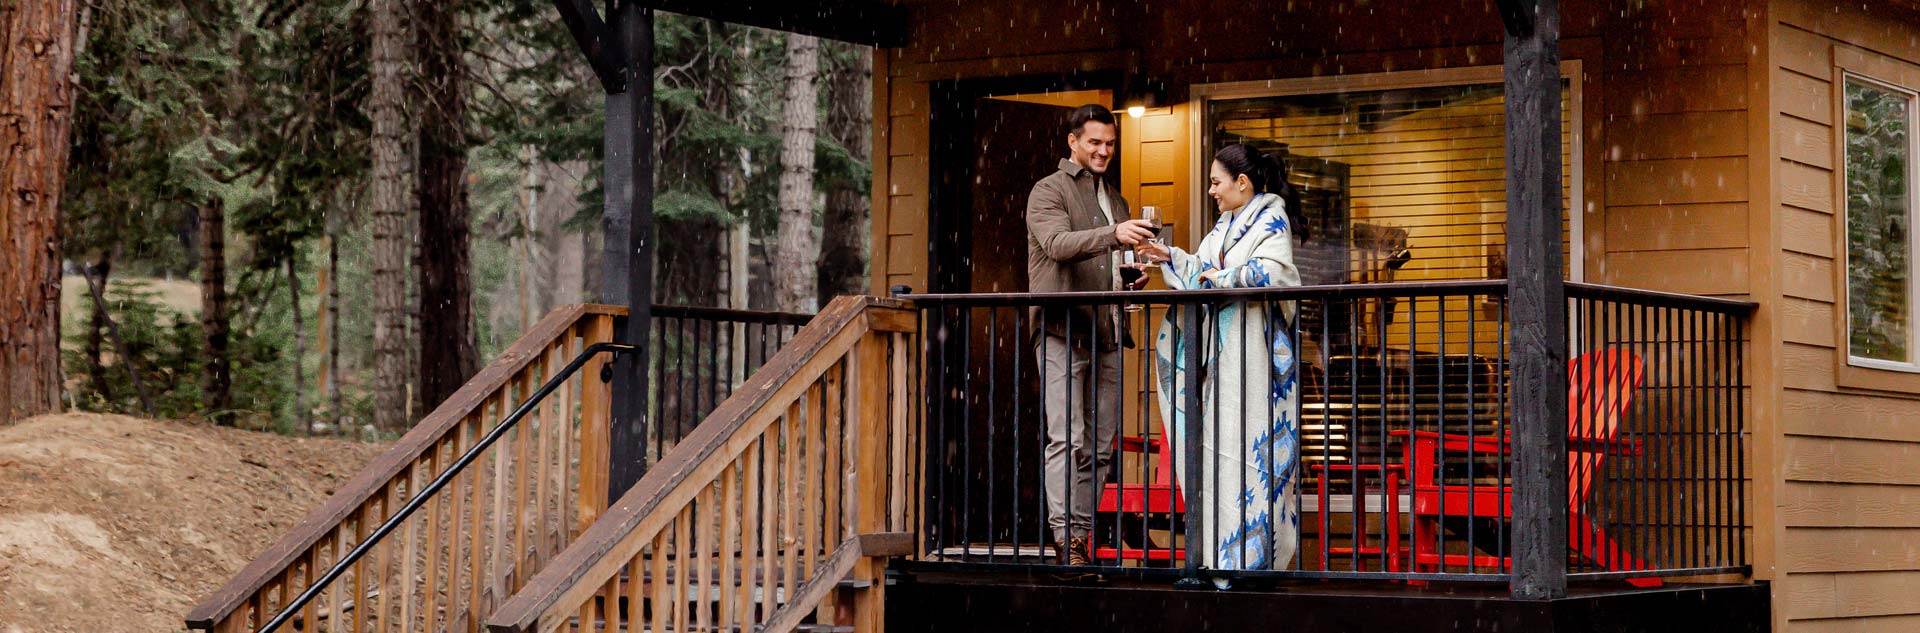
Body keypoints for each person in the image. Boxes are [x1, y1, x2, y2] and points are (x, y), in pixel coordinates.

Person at [1135, 143, 1303, 573]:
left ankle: (1255, 563)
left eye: (1215, 181)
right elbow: (1202, 270)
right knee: (1221, 449)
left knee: (1255, 449)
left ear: (1241, 183)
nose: (1211, 190)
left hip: (1258, 356)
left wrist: (1221, 277)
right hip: (1226, 360)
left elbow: (1275, 272)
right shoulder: (1227, 223)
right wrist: (1169, 256)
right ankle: (1221, 559)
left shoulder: (1271, 215)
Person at [1026, 103, 1156, 566]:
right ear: (1073, 142)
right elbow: (1058, 246)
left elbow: (1112, 260)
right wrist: (1113, 233)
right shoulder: (1048, 191)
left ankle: (1080, 537)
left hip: (1108, 332)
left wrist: (1132, 278)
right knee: (1068, 438)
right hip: (1062, 329)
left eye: (1110, 143)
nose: (1104, 151)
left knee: (1101, 447)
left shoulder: (1114, 198)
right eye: (1095, 142)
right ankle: (1066, 540)